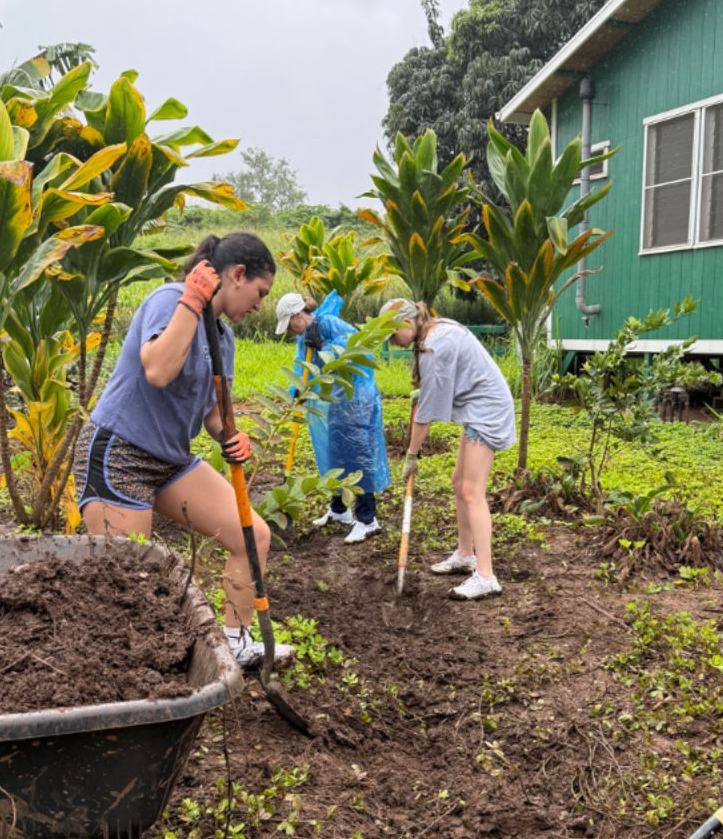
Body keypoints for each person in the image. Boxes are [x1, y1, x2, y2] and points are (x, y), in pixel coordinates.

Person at [75, 232, 292, 668]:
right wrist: (192, 305)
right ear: (237, 275)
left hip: (170, 460)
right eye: (260, 292)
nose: (260, 305)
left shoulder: (224, 337)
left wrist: (230, 434)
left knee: (253, 537)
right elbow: (157, 370)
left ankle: (235, 640)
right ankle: (112, 671)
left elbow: (213, 412)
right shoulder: (170, 300)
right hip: (120, 453)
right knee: (129, 577)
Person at [380, 298, 516, 600]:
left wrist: (412, 455)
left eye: (392, 335)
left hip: (487, 412)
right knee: (459, 483)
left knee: (471, 490)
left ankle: (486, 575)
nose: (393, 342)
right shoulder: (434, 332)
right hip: (477, 408)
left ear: (406, 323)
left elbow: (426, 416)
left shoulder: (434, 347)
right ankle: (466, 555)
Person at [275, 293, 389, 542]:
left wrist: (326, 348)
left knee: (358, 456)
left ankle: (368, 519)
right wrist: (298, 391)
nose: (291, 332)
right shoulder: (305, 335)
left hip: (356, 399)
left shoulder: (327, 323)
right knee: (335, 452)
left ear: (297, 316)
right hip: (335, 402)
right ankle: (339, 510)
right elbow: (301, 365)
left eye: (290, 325)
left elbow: (358, 351)